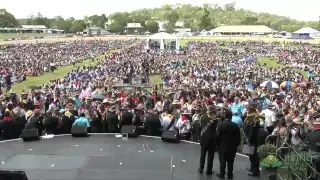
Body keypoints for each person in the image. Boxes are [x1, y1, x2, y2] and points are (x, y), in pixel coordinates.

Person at [216, 108, 241, 179]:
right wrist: (237, 145)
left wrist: (217, 144)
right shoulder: (235, 125)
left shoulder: (220, 124)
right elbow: (238, 137)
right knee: (231, 162)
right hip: (232, 147)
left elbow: (217, 136)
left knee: (222, 161)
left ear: (224, 116)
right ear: (231, 116)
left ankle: (222, 173)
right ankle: (230, 174)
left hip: (222, 145)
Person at [198, 105, 218, 175]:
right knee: (210, 155)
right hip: (212, 139)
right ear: (213, 111)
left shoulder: (202, 117)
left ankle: (201, 168)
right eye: (215, 110)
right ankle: (209, 171)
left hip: (204, 138)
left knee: (203, 154)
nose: (216, 111)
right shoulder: (215, 119)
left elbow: (200, 127)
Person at [243, 103, 260, 177]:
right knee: (250, 155)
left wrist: (249, 140)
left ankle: (255, 171)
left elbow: (253, 130)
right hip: (248, 138)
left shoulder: (255, 118)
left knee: (253, 156)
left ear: (252, 109)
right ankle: (252, 168)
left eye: (248, 108)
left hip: (251, 139)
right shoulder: (250, 116)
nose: (247, 109)